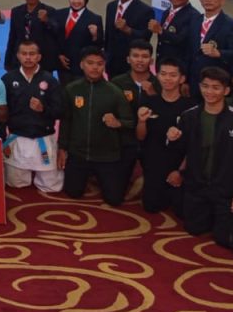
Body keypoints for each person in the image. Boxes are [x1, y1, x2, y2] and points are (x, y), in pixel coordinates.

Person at [167, 67, 233, 248]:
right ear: (199, 87)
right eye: (205, 86)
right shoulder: (189, 116)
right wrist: (172, 138)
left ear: (226, 90)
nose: (209, 92)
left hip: (225, 190)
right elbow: (178, 151)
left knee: (224, 239)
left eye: (216, 87)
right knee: (193, 229)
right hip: (196, 186)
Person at [58, 47, 133, 207]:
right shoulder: (72, 89)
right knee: (73, 192)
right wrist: (62, 148)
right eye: (90, 63)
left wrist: (118, 122)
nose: (95, 67)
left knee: (114, 199)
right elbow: (66, 120)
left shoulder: (115, 92)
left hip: (107, 156)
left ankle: (99, 176)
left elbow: (130, 121)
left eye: (99, 64)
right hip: (78, 153)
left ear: (104, 66)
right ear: (81, 64)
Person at [2, 39, 64, 192]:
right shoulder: (8, 79)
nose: (28, 57)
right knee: (15, 183)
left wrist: (43, 109)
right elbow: (2, 112)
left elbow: (60, 111)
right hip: (17, 138)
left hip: (43, 138)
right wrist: (3, 140)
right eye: (24, 54)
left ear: (39, 57)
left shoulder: (50, 80)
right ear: (18, 56)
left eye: (32, 54)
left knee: (51, 187)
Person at [135, 57, 193, 214]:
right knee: (151, 206)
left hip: (179, 162)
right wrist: (141, 122)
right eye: (163, 74)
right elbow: (140, 137)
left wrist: (180, 171)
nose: (167, 79)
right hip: (154, 160)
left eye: (173, 75)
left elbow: (193, 145)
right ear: (158, 76)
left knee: (182, 211)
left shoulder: (190, 107)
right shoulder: (149, 102)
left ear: (182, 78)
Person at [110, 39, 160, 186]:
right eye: (135, 56)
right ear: (128, 59)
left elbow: (165, 112)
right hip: (123, 138)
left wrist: (153, 94)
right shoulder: (117, 82)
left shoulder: (160, 83)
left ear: (151, 60)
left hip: (152, 139)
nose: (140, 60)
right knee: (115, 191)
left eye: (144, 56)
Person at [189, 0, 233, 86]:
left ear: (222, 0)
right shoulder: (195, 20)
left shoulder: (231, 25)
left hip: (218, 82)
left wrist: (219, 53)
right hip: (195, 80)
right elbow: (189, 52)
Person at [5, 0, 58, 76]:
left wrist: (46, 20)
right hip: (20, 59)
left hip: (43, 60)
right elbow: (12, 37)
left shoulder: (49, 10)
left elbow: (57, 31)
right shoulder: (16, 11)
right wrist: (8, 61)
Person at [104, 0, 154, 78]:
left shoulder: (145, 10)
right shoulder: (111, 6)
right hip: (111, 62)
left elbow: (146, 37)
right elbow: (108, 35)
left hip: (131, 64)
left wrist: (127, 29)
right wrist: (106, 56)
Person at [52, 0, 103, 85]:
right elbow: (54, 38)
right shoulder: (59, 14)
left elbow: (99, 45)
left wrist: (95, 35)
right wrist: (59, 54)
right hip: (63, 66)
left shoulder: (94, 18)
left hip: (81, 67)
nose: (76, 1)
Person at [149, 0, 202, 75]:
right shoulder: (167, 11)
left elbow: (183, 40)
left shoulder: (194, 16)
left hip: (178, 69)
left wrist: (160, 31)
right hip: (162, 64)